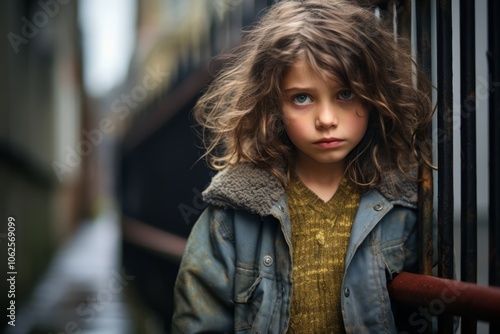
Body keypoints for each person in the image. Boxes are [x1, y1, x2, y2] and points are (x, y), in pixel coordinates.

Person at [171, 0, 434, 333]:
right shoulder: (233, 216)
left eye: (345, 94)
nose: (326, 120)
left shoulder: (403, 207)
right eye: (302, 98)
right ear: (272, 103)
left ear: (374, 96)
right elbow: (199, 322)